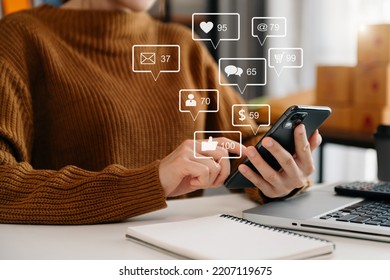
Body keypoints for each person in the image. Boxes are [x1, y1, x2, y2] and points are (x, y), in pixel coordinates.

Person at [0, 0, 321, 225]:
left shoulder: (183, 45)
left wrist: (277, 176)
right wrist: (150, 181)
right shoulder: (19, 38)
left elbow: (245, 142)